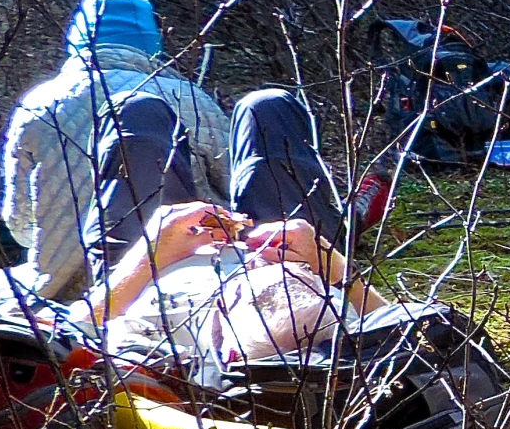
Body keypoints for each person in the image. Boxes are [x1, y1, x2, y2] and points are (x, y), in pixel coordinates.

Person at [77, 88, 380, 365]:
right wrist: (330, 265)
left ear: (229, 353)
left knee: (134, 113)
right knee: (268, 108)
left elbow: (65, 332)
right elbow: (405, 327)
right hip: (283, 248)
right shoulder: (335, 329)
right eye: (304, 280)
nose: (257, 263)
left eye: (238, 291)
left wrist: (148, 254)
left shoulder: (153, 348)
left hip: (146, 275)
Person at [2, 0, 232, 301]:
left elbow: (20, 227)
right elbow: (234, 191)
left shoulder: (37, 105)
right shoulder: (190, 99)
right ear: (152, 40)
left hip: (65, 290)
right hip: (182, 277)